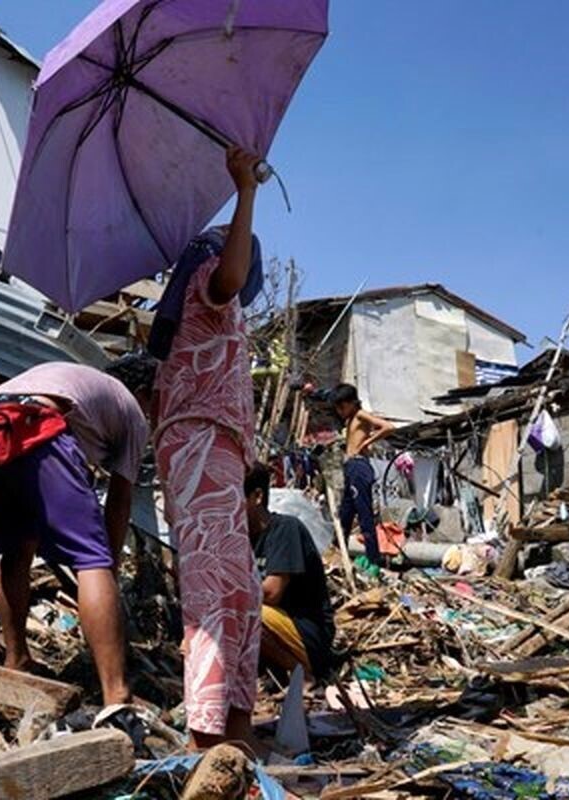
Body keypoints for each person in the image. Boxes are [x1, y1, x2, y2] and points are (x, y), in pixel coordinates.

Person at [152, 145, 265, 752]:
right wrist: (245, 189)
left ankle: (237, 728)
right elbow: (230, 274)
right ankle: (206, 733)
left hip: (212, 450)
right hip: (199, 449)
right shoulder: (207, 283)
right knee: (214, 588)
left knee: (238, 588)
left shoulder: (205, 320)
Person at [0, 358, 154, 710]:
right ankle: (117, 693)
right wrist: (106, 567)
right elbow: (120, 500)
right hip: (34, 425)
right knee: (91, 559)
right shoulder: (132, 410)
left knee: (17, 549)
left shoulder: (72, 377)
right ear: (143, 392)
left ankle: (16, 659)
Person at [244, 463, 335, 682]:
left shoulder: (285, 529)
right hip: (276, 634)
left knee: (246, 612)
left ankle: (302, 675)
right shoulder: (239, 540)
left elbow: (271, 593)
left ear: (257, 496)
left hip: (307, 636)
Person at [332, 384, 394, 567]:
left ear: (352, 403)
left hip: (359, 466)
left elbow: (387, 427)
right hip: (351, 467)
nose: (340, 411)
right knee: (345, 514)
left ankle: (373, 559)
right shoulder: (350, 420)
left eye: (342, 407)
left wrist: (366, 442)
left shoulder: (360, 414)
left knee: (364, 514)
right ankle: (337, 553)